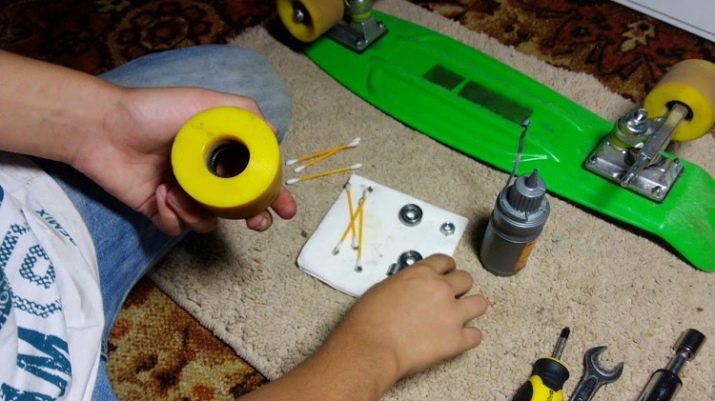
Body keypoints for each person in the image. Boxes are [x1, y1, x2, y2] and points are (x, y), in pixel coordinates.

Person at [0, 45, 489, 401]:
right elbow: (372, 352)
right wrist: (377, 350)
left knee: (246, 89)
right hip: (57, 377)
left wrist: (102, 125)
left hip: (24, 214)